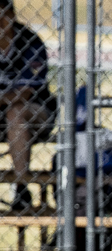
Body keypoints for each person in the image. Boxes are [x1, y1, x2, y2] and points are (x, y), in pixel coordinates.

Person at [0, 0, 56, 212]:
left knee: (16, 112)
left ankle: (21, 186)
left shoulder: (30, 41)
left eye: (2, 17)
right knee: (12, 111)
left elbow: (25, 92)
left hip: (36, 113)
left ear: (12, 17)